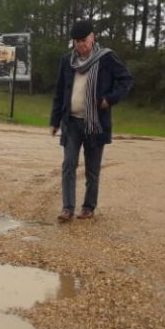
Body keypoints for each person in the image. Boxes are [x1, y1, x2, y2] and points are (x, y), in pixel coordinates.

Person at [50, 20, 133, 222]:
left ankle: (88, 207)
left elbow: (126, 80)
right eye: (77, 41)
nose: (81, 45)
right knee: (68, 165)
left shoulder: (106, 58)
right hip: (71, 122)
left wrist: (109, 99)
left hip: (95, 124)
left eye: (84, 40)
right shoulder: (67, 61)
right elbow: (60, 91)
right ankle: (67, 208)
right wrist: (54, 121)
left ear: (92, 37)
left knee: (92, 169)